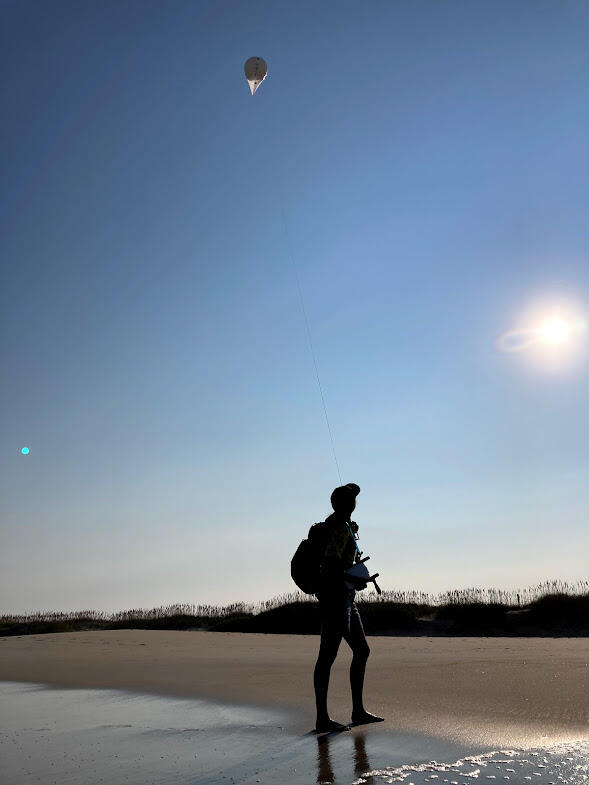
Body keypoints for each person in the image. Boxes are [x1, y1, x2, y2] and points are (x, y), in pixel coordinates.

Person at [310, 483, 384, 732]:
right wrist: (352, 578)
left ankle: (358, 711)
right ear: (343, 503)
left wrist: (354, 579)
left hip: (346, 598)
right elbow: (331, 568)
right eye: (351, 498)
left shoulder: (347, 527)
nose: (354, 502)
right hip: (335, 599)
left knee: (361, 650)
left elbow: (340, 564)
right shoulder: (336, 528)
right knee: (328, 656)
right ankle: (323, 719)